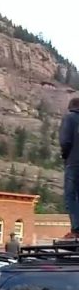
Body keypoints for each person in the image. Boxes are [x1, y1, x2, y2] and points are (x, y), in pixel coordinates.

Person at [58, 97, 79, 238]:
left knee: (71, 196)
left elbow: (65, 141)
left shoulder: (70, 118)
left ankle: (76, 229)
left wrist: (65, 155)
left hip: (74, 162)